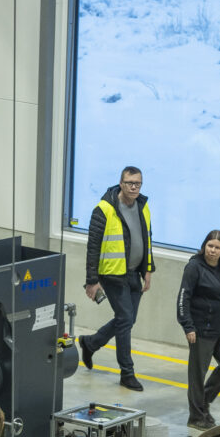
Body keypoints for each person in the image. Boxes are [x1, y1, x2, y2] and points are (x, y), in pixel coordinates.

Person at [79, 166, 155, 391]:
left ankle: (90, 343)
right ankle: (127, 373)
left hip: (134, 272)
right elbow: (93, 247)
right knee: (125, 319)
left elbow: (148, 238)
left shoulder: (143, 205)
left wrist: (148, 269)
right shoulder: (104, 209)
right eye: (130, 183)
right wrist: (92, 281)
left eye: (138, 183)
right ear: (121, 183)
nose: (134, 187)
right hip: (112, 274)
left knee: (127, 320)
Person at [178, 229, 220, 430]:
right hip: (201, 331)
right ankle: (196, 416)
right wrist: (188, 326)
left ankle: (204, 400)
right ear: (204, 246)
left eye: (217, 247)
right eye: (210, 246)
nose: (212, 250)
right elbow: (183, 298)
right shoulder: (194, 267)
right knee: (198, 375)